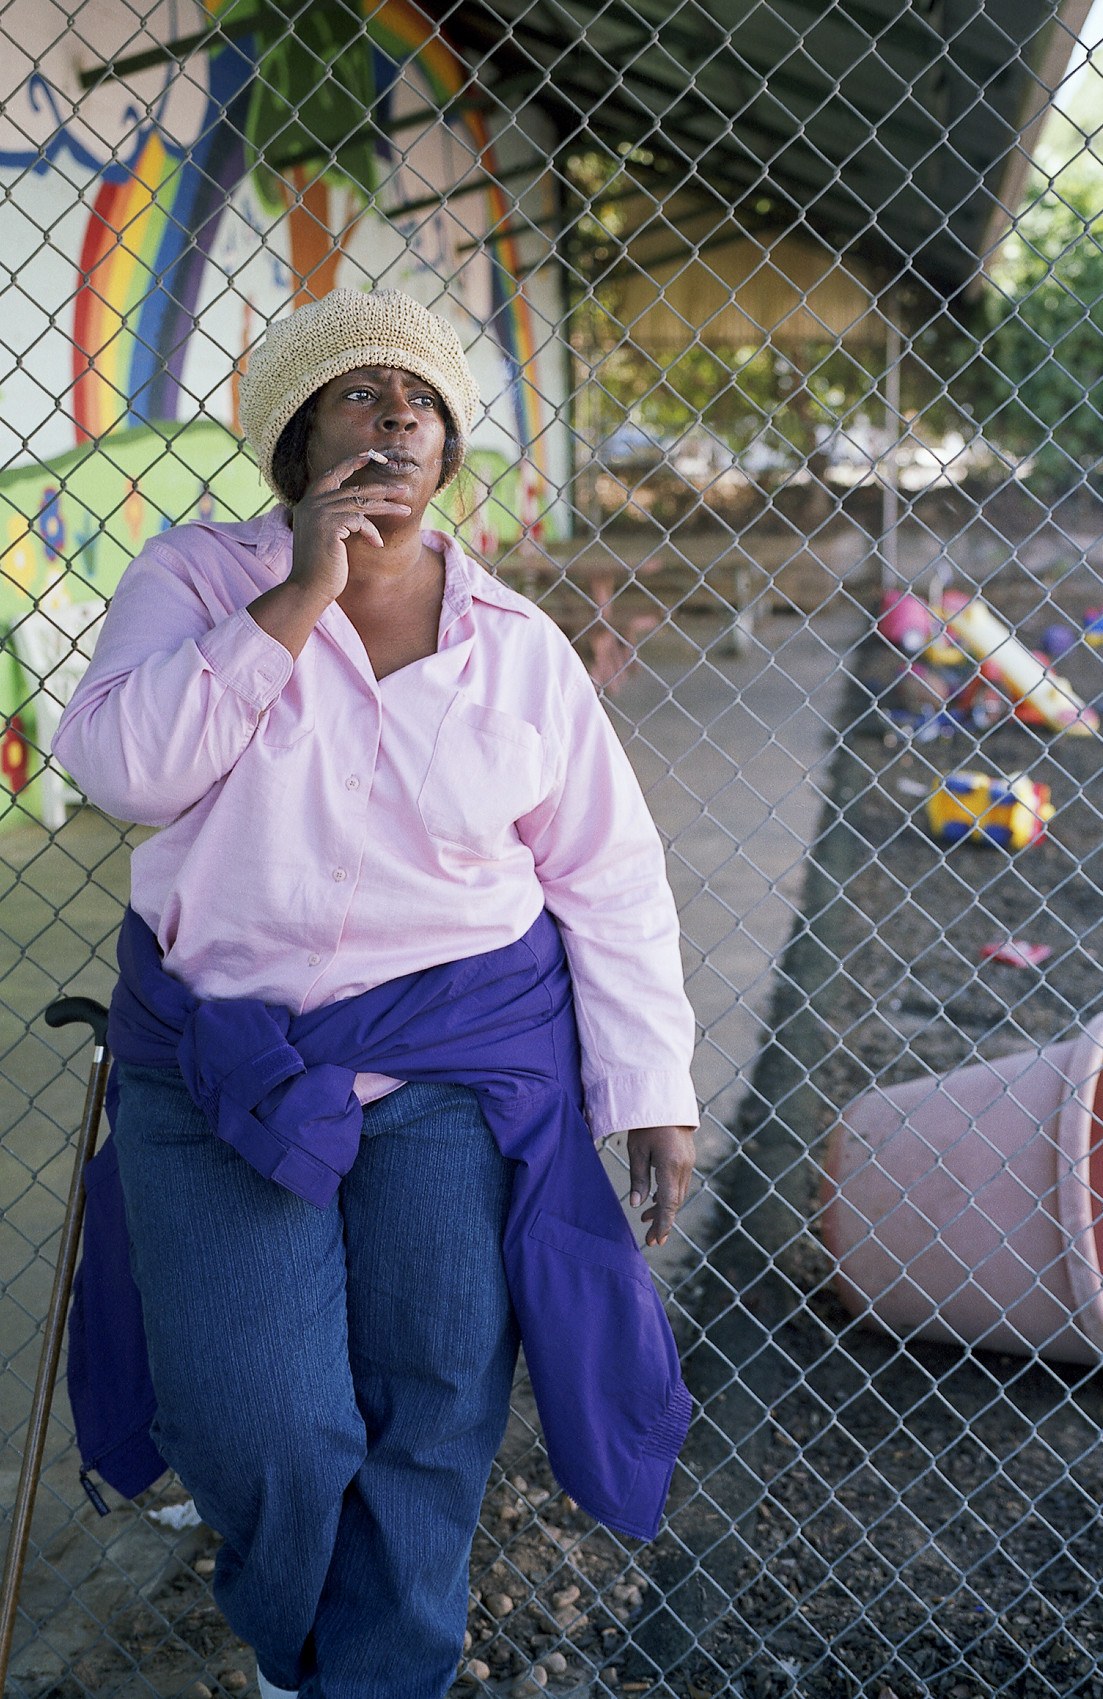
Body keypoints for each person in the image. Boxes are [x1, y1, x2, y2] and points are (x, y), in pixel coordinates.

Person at [53, 288, 699, 1699]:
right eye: (356, 394)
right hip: (224, 1069)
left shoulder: (517, 645)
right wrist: (295, 602)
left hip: (456, 1068)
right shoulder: (198, 583)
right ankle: (297, 1652)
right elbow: (116, 769)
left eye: (419, 400)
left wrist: (653, 1090)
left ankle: (378, 1676)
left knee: (435, 1403)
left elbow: (610, 874)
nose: (394, 414)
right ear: (293, 443)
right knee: (260, 1423)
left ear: (448, 449)